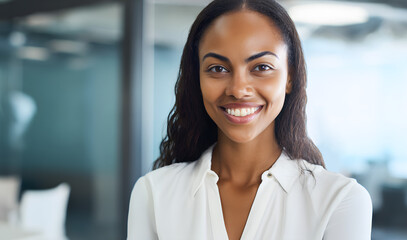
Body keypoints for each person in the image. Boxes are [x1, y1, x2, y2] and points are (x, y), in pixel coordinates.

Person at [127, 0, 373, 239]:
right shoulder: (154, 194)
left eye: (261, 67)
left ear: (290, 77)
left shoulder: (340, 201)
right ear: (197, 79)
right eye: (217, 68)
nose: (238, 88)